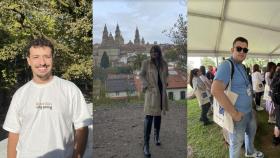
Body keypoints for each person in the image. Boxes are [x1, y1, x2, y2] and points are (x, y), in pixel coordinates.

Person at [3, 38, 93, 158]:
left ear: (52, 59)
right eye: (36, 57)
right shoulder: (20, 94)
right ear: (28, 61)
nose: (42, 62)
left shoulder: (70, 90)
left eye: (47, 56)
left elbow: (82, 128)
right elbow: (13, 133)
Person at [211, 37, 263, 158]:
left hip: (249, 112)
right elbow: (216, 90)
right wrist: (234, 114)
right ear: (232, 49)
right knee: (236, 144)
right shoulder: (226, 65)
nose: (242, 52)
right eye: (239, 48)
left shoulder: (242, 66)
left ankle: (250, 152)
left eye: (245, 50)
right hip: (237, 116)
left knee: (251, 134)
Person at [140, 45, 168, 157]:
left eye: (155, 52)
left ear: (159, 53)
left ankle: (156, 136)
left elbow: (167, 75)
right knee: (149, 117)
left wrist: (165, 82)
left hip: (161, 93)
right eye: (152, 52)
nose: (153, 53)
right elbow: (141, 75)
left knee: (158, 115)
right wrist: (146, 85)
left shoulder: (164, 63)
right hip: (151, 93)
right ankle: (146, 144)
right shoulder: (146, 63)